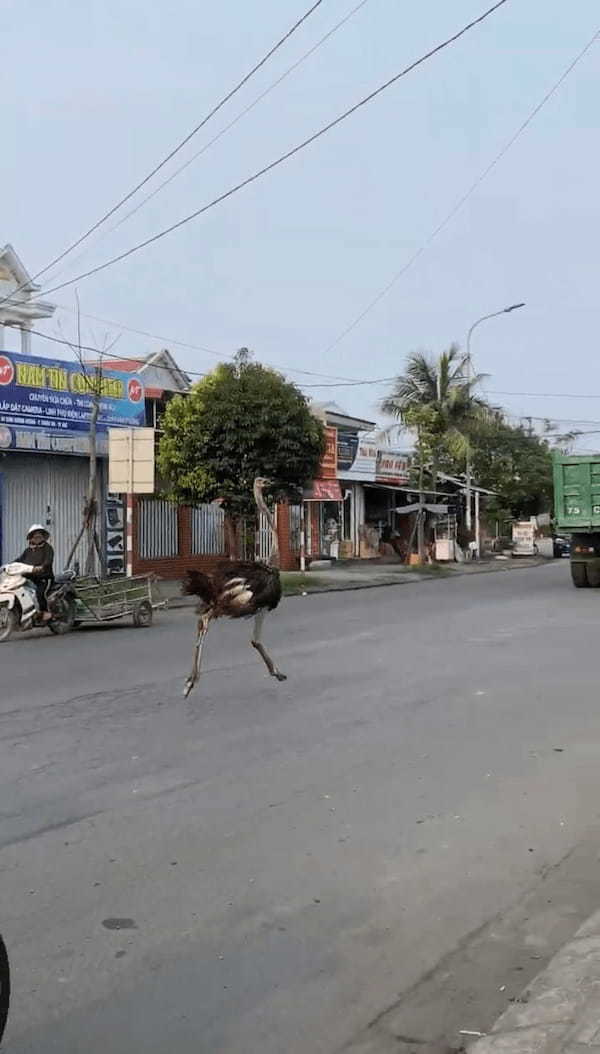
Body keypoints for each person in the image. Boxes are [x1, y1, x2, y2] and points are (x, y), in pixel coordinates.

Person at [18, 524, 55, 621]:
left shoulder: (48, 548)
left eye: (39, 535)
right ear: (31, 538)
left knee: (40, 593)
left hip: (45, 578)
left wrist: (42, 567)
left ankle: (45, 612)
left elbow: (49, 560)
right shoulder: (28, 551)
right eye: (35, 536)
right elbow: (19, 560)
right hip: (30, 577)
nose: (37, 537)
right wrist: (9, 566)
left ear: (43, 536)